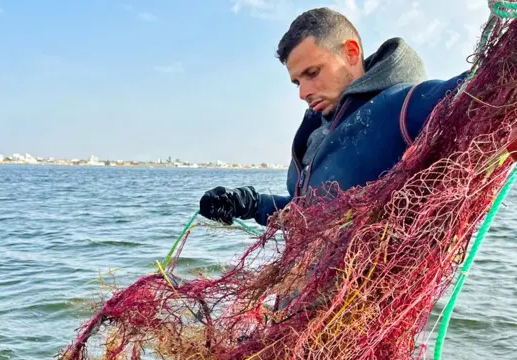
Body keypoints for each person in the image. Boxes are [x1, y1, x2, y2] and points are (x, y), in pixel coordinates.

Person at [199, 7, 467, 226]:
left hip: (366, 289)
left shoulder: (404, 105)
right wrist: (251, 203)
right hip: (303, 288)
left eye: (313, 72)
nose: (303, 92)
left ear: (351, 53)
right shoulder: (317, 130)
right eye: (296, 82)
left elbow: (485, 90)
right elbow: (308, 213)